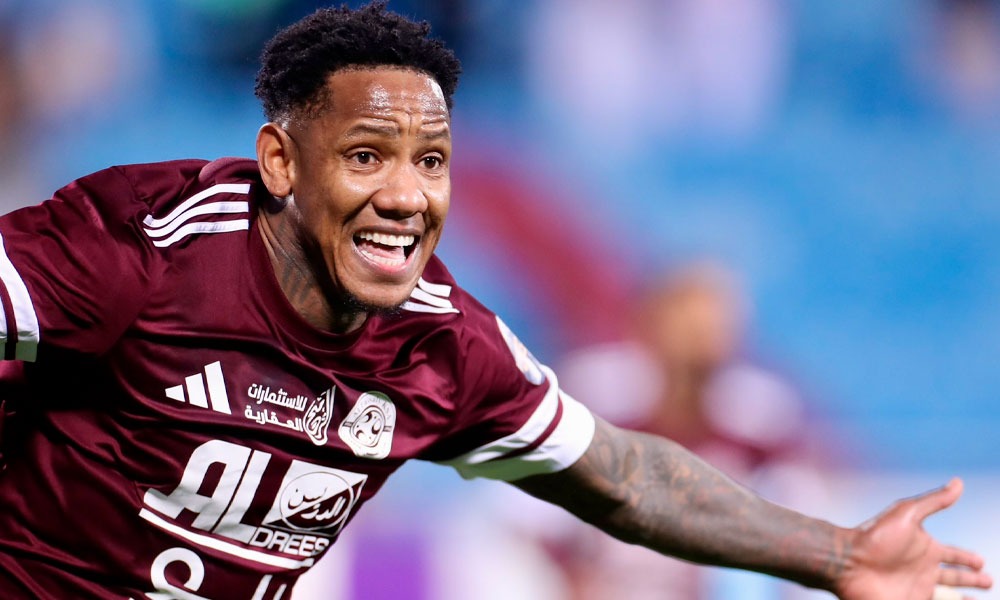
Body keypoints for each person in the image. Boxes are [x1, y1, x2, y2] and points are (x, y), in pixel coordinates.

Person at [0, 3, 989, 599]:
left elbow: (625, 479)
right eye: (365, 156)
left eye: (431, 162)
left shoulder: (444, 347)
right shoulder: (143, 249)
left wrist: (837, 554)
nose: (406, 196)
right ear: (281, 163)